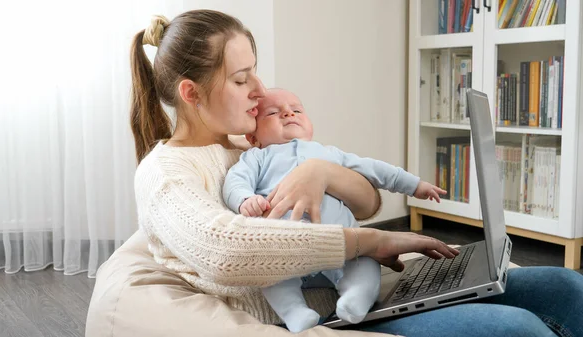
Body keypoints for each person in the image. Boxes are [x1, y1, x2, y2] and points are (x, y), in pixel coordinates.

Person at [125, 9, 583, 337]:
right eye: (242, 79)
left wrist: (322, 171)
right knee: (518, 328)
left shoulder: (249, 144)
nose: (260, 91)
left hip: (362, 282)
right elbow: (226, 251)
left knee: (566, 285)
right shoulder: (166, 172)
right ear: (192, 93)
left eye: (256, 74)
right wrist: (375, 241)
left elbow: (367, 202)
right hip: (327, 310)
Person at [221, 88, 447, 332]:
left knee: (366, 264)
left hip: (345, 245)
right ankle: (295, 312)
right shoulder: (257, 157)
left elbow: (375, 170)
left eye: (296, 110)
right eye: (273, 113)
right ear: (253, 138)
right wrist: (245, 200)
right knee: (269, 274)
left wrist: (414, 185)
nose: (288, 114)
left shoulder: (329, 153)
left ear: (310, 125)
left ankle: (355, 298)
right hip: (288, 249)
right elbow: (235, 181)